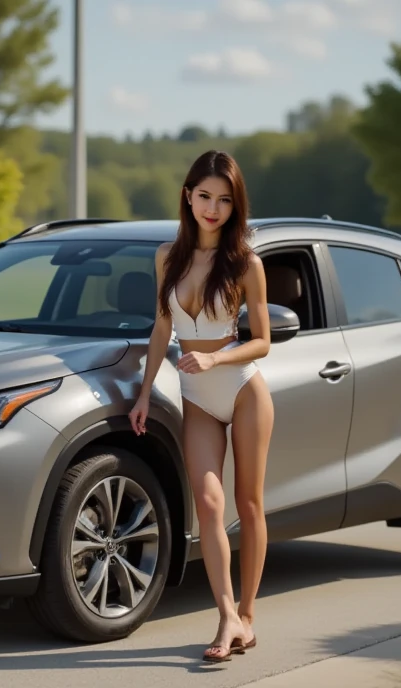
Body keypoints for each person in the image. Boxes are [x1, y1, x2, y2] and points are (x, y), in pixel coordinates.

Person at [128, 150, 275, 663]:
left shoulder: (246, 263)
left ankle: (248, 618)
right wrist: (145, 392)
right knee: (210, 505)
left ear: (236, 207)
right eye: (205, 196)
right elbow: (162, 329)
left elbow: (263, 342)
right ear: (188, 196)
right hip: (197, 401)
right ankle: (226, 614)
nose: (213, 208)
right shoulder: (166, 257)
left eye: (225, 200)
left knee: (248, 503)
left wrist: (215, 361)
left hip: (242, 389)